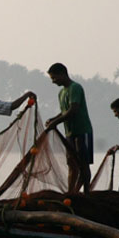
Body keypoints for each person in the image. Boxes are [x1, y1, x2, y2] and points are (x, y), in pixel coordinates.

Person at [44, 63, 94, 194]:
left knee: (83, 163)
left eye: (54, 78)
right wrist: (53, 119)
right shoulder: (61, 93)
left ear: (62, 74)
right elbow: (64, 111)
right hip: (69, 133)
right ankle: (71, 192)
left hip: (82, 131)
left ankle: (86, 193)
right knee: (71, 163)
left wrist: (55, 123)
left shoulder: (75, 88)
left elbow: (73, 110)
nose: (53, 82)